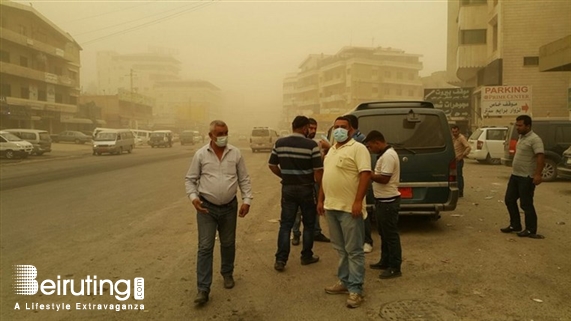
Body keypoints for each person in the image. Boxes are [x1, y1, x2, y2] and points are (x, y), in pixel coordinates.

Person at [184, 120, 253, 305]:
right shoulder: (200, 155)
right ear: (211, 136)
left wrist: (247, 200)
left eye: (226, 133)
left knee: (228, 243)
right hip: (207, 208)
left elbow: (244, 178)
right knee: (205, 247)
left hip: (230, 207)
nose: (223, 136)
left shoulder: (235, 153)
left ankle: (227, 273)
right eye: (219, 133)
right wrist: (193, 198)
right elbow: (190, 180)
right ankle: (203, 289)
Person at [318, 116, 371, 309]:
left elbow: (366, 174)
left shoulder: (358, 148)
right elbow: (326, 176)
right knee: (340, 250)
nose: (339, 130)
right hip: (331, 207)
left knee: (354, 251)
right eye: (336, 127)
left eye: (343, 127)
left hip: (350, 209)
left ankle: (356, 289)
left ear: (350, 130)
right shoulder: (331, 150)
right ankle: (344, 281)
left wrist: (358, 201)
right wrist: (321, 199)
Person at [269, 116, 323, 271]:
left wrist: (284, 176)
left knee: (285, 225)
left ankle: (280, 260)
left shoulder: (280, 143)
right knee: (309, 224)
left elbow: (272, 165)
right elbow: (318, 171)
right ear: (305, 128)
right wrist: (320, 191)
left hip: (288, 189)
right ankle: (306, 256)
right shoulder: (311, 145)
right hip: (306, 189)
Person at [364, 130, 402, 279]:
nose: (370, 149)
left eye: (371, 146)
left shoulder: (388, 156)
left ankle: (395, 267)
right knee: (383, 234)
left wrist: (368, 173)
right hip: (382, 201)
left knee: (391, 235)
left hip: (388, 201)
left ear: (377, 143)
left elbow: (384, 179)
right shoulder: (384, 155)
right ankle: (385, 261)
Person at [500, 115, 545, 239]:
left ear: (528, 126)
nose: (517, 127)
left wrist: (537, 174)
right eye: (516, 125)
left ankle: (531, 230)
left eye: (520, 125)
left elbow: (540, 156)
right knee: (509, 199)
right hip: (515, 175)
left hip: (526, 177)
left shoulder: (535, 139)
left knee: (526, 204)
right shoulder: (521, 137)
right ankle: (515, 225)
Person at [292, 117, 330, 245]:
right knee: (297, 211)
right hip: (301, 182)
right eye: (311, 128)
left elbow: (323, 162)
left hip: (315, 182)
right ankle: (296, 234)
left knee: (316, 209)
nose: (313, 130)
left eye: (315, 128)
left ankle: (316, 232)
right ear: (305, 128)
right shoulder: (298, 143)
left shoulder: (318, 144)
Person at [344, 114, 374, 254]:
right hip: (349, 183)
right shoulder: (347, 141)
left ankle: (367, 241)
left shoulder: (361, 141)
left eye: (343, 127)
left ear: (350, 126)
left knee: (362, 211)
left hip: (359, 182)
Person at [451, 125, 471, 197]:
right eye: (453, 132)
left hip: (459, 160)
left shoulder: (461, 138)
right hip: (453, 160)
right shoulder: (453, 138)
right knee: (454, 176)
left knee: (459, 176)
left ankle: (460, 192)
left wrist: (462, 155)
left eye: (456, 132)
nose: (454, 133)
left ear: (458, 131)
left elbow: (468, 147)